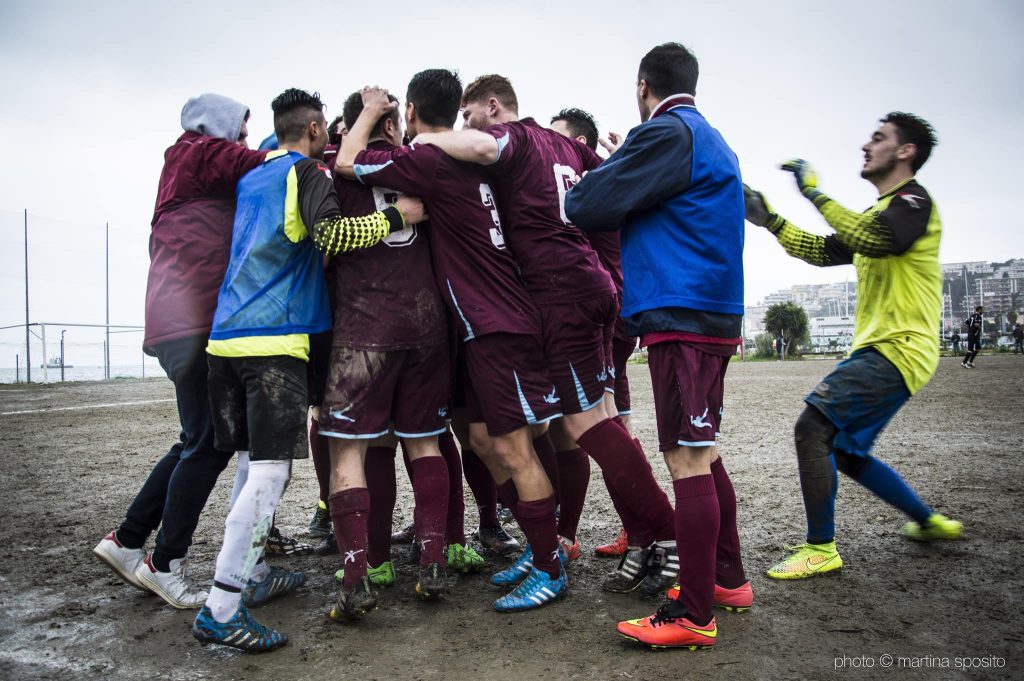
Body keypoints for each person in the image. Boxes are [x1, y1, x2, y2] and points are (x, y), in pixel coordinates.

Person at [415, 73, 681, 602]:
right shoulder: (565, 145)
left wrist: (427, 138)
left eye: (470, 115)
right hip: (589, 287)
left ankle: (670, 534)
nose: (467, 127)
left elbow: (481, 143)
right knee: (599, 419)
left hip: (562, 293)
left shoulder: (518, 138)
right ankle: (647, 537)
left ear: (494, 107)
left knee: (585, 424)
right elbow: (611, 186)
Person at [189, 88, 425, 652]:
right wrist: (396, 215)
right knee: (271, 474)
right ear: (318, 130)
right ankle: (221, 607)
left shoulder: (252, 175)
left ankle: (252, 576)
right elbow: (333, 235)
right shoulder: (308, 173)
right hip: (274, 340)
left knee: (249, 468)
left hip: (225, 339)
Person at [336, 72, 567, 611]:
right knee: (488, 442)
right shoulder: (467, 156)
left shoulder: (428, 160)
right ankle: (540, 551)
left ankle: (551, 566)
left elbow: (346, 161)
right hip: (492, 320)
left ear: (410, 110)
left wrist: (372, 113)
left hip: (493, 322)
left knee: (512, 447)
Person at [566, 42, 751, 650]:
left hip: (682, 313)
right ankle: (725, 577)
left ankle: (694, 613)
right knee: (705, 449)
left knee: (686, 458)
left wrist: (613, 167)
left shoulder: (666, 133)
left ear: (642, 84)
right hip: (711, 312)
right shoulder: (709, 136)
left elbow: (585, 203)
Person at [744, 111, 964, 587]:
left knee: (811, 429)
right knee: (844, 450)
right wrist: (771, 220)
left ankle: (821, 548)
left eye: (879, 138)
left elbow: (875, 239)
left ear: (905, 151)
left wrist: (813, 191)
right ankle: (928, 521)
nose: (867, 145)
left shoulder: (912, 202)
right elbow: (823, 250)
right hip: (892, 350)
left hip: (897, 348)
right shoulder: (877, 214)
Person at [93, 93, 267, 609]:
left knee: (194, 439)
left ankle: (126, 540)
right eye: (238, 131)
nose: (242, 142)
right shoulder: (198, 153)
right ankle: (165, 562)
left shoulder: (187, 165)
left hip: (175, 323)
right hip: (190, 323)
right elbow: (267, 164)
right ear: (216, 129)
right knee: (211, 444)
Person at [319, 87, 454, 618]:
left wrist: (366, 116)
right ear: (396, 127)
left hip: (363, 330)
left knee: (347, 452)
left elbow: (326, 238)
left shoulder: (334, 168)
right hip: (426, 326)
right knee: (424, 444)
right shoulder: (415, 164)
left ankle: (356, 578)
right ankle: (433, 561)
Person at [550, 107, 641, 560]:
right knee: (615, 422)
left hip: (607, 318)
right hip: (619, 315)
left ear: (580, 145)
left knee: (591, 425)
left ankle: (640, 530)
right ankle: (637, 529)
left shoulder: (592, 184)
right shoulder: (605, 179)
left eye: (560, 140)